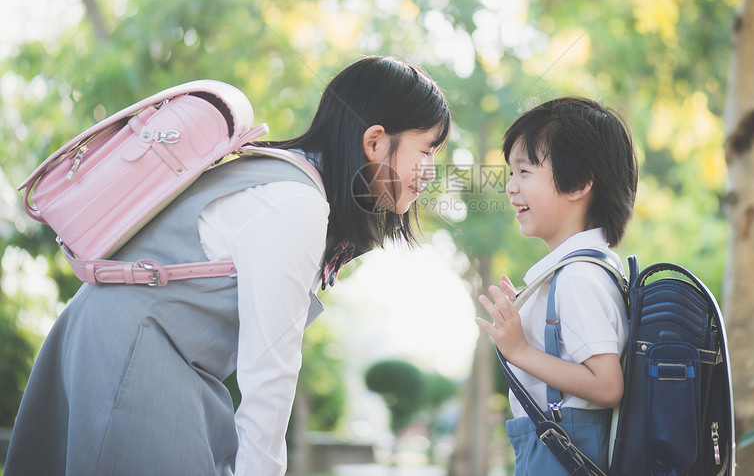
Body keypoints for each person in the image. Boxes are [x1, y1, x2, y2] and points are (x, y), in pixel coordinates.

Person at [5, 56, 450, 476]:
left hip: (119, 344)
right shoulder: (296, 204)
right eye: (426, 150)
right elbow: (270, 370)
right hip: (133, 356)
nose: (429, 171)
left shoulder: (275, 174)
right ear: (374, 141)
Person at [475, 96, 638, 474]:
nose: (511, 188)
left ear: (579, 183)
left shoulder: (578, 278)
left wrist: (519, 350)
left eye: (524, 172)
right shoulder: (584, 271)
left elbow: (606, 384)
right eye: (510, 174)